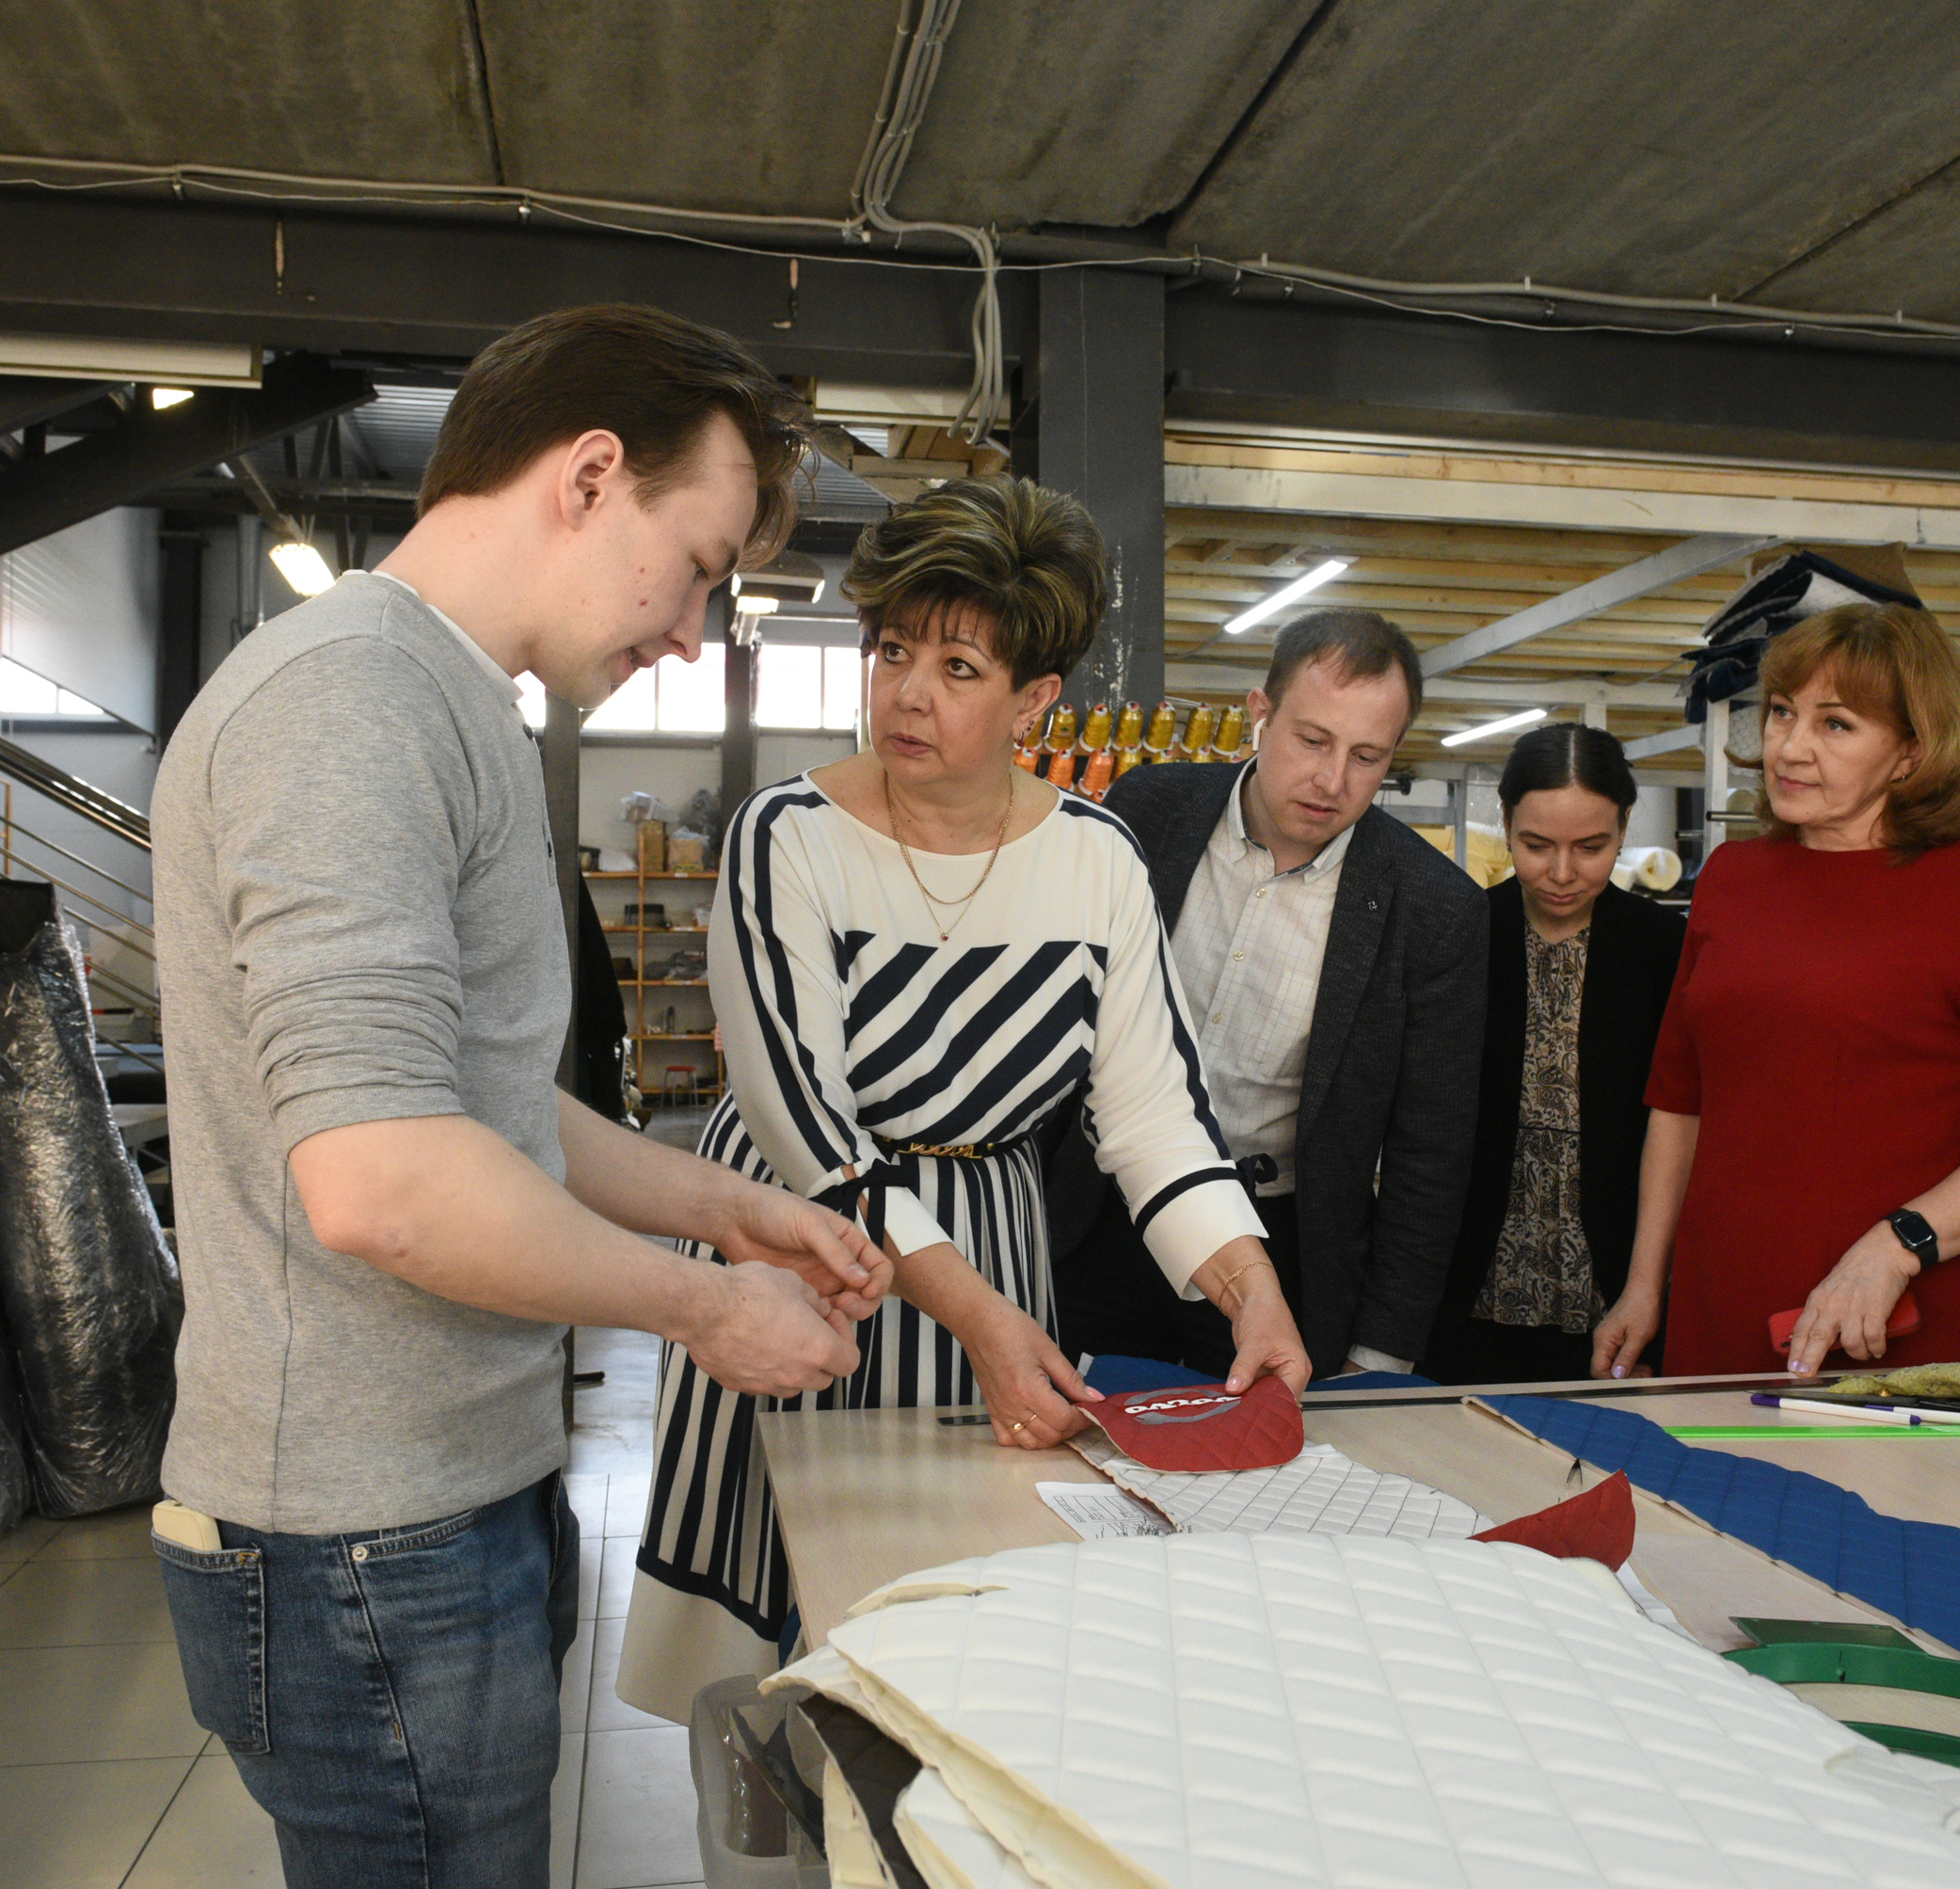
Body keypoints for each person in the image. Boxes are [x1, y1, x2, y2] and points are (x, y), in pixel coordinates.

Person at [150, 304, 886, 1888]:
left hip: (442, 1500)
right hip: (365, 1537)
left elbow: (483, 1105)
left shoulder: (447, 697)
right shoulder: (349, 702)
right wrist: (703, 1311)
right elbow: (384, 1180)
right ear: (589, 475)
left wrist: (726, 1207)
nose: (690, 633)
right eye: (696, 567)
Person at [621, 476, 1312, 1721]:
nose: (906, 694)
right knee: (775, 1632)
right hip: (799, 1242)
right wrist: (979, 1317)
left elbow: (1152, 1116)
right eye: (892, 651)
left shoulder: (1095, 859)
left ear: (1034, 699)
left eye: (956, 666)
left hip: (989, 1243)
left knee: (958, 1626)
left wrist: (1248, 1286)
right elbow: (805, 1121)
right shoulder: (786, 836)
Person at [1595, 601, 1960, 1382]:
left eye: (1836, 724)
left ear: (1911, 753)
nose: (1790, 747)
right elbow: (1680, 1100)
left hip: (1881, 1318)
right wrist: (1643, 1284)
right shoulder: (1732, 879)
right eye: (1782, 712)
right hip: (1717, 1300)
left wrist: (1898, 1246)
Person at [1049, 609, 1487, 1380]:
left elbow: (1431, 1154)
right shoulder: (1148, 811)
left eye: (1367, 756)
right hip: (1099, 1217)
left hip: (1278, 1247)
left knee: (1252, 1447)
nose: (1332, 781)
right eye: (1312, 741)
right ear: (1260, 713)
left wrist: (1379, 1352)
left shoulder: (1435, 907)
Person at [1420, 722, 1684, 1385]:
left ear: (1624, 829)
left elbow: (1679, 1123)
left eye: (1591, 848)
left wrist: (1649, 1285)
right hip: (1466, 1284)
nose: (1562, 874)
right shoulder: (1461, 932)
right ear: (1507, 822)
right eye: (1536, 846)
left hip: (1617, 1290)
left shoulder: (1664, 949)